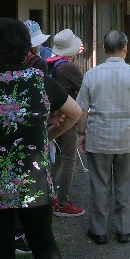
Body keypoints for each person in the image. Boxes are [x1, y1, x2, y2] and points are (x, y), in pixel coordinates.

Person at [0, 18, 82, 259]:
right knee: (43, 242)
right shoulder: (39, 81)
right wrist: (50, 133)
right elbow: (75, 112)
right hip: (32, 178)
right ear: (25, 49)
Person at [77, 30, 130, 245]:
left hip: (98, 139)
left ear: (103, 49)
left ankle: (99, 231)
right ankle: (124, 230)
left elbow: (81, 109)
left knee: (99, 185)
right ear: (125, 48)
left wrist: (82, 133)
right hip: (128, 140)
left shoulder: (92, 74)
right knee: (126, 186)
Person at [46, 29, 85, 218]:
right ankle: (61, 202)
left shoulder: (50, 63)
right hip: (66, 117)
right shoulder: (68, 68)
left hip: (52, 116)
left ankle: (49, 195)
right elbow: (85, 87)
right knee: (69, 160)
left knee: (56, 158)